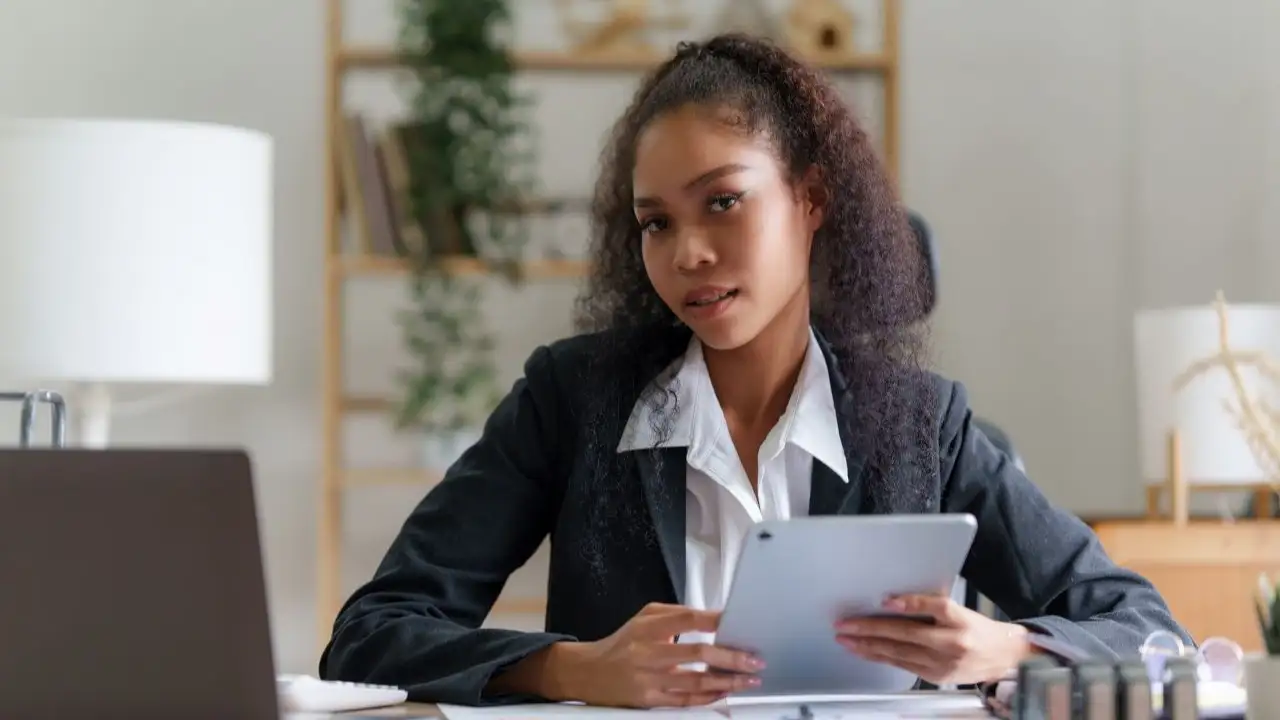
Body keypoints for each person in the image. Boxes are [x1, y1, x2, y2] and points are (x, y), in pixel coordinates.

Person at [318, 33, 1190, 708]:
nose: (688, 252)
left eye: (723, 203)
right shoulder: (571, 401)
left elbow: (1147, 630)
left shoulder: (928, 421)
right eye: (655, 222)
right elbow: (371, 634)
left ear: (810, 201)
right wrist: (572, 669)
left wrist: (1009, 652)